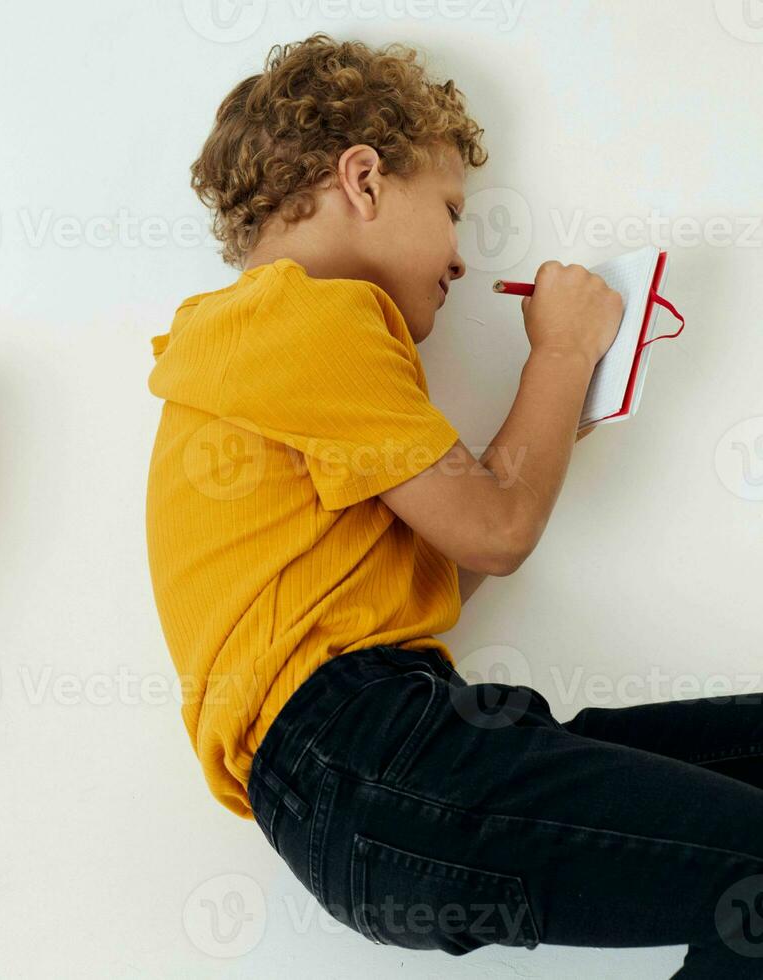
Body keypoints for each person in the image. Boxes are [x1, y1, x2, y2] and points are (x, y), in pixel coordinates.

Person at [144, 32, 763, 977]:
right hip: (367, 754)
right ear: (362, 179)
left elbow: (454, 559)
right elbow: (501, 529)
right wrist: (558, 355)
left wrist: (555, 418)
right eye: (450, 212)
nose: (462, 259)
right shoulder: (307, 316)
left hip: (372, 770)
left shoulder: (269, 354)